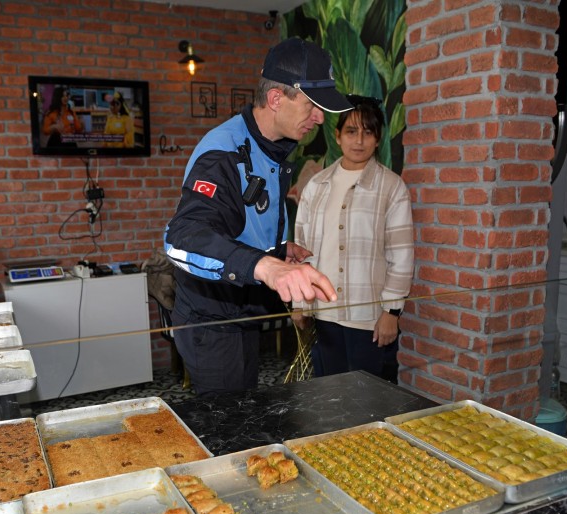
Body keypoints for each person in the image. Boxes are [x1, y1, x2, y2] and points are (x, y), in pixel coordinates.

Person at [164, 37, 352, 396]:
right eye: (312, 106)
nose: (319, 118)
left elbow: (239, 223)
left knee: (248, 407)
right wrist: (267, 267)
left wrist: (277, 252)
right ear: (277, 99)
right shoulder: (222, 153)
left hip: (242, 311)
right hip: (211, 321)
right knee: (228, 422)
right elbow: (182, 237)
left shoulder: (272, 147)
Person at [292, 96, 414, 383]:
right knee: (328, 396)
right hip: (323, 315)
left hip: (368, 319)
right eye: (351, 131)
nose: (359, 140)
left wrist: (391, 312)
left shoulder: (391, 187)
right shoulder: (316, 186)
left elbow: (401, 256)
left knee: (369, 399)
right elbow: (300, 250)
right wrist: (299, 302)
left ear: (377, 139)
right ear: (337, 136)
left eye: (368, 132)